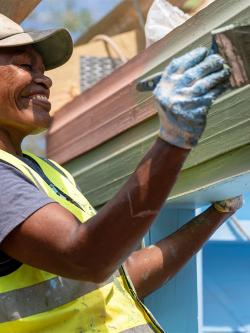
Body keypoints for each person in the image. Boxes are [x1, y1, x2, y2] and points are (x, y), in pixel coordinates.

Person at [0, 13, 243, 333]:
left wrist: (216, 213)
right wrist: (175, 138)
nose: (45, 80)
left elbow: (115, 276)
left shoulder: (46, 172)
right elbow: (88, 257)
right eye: (25, 66)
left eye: (43, 71)